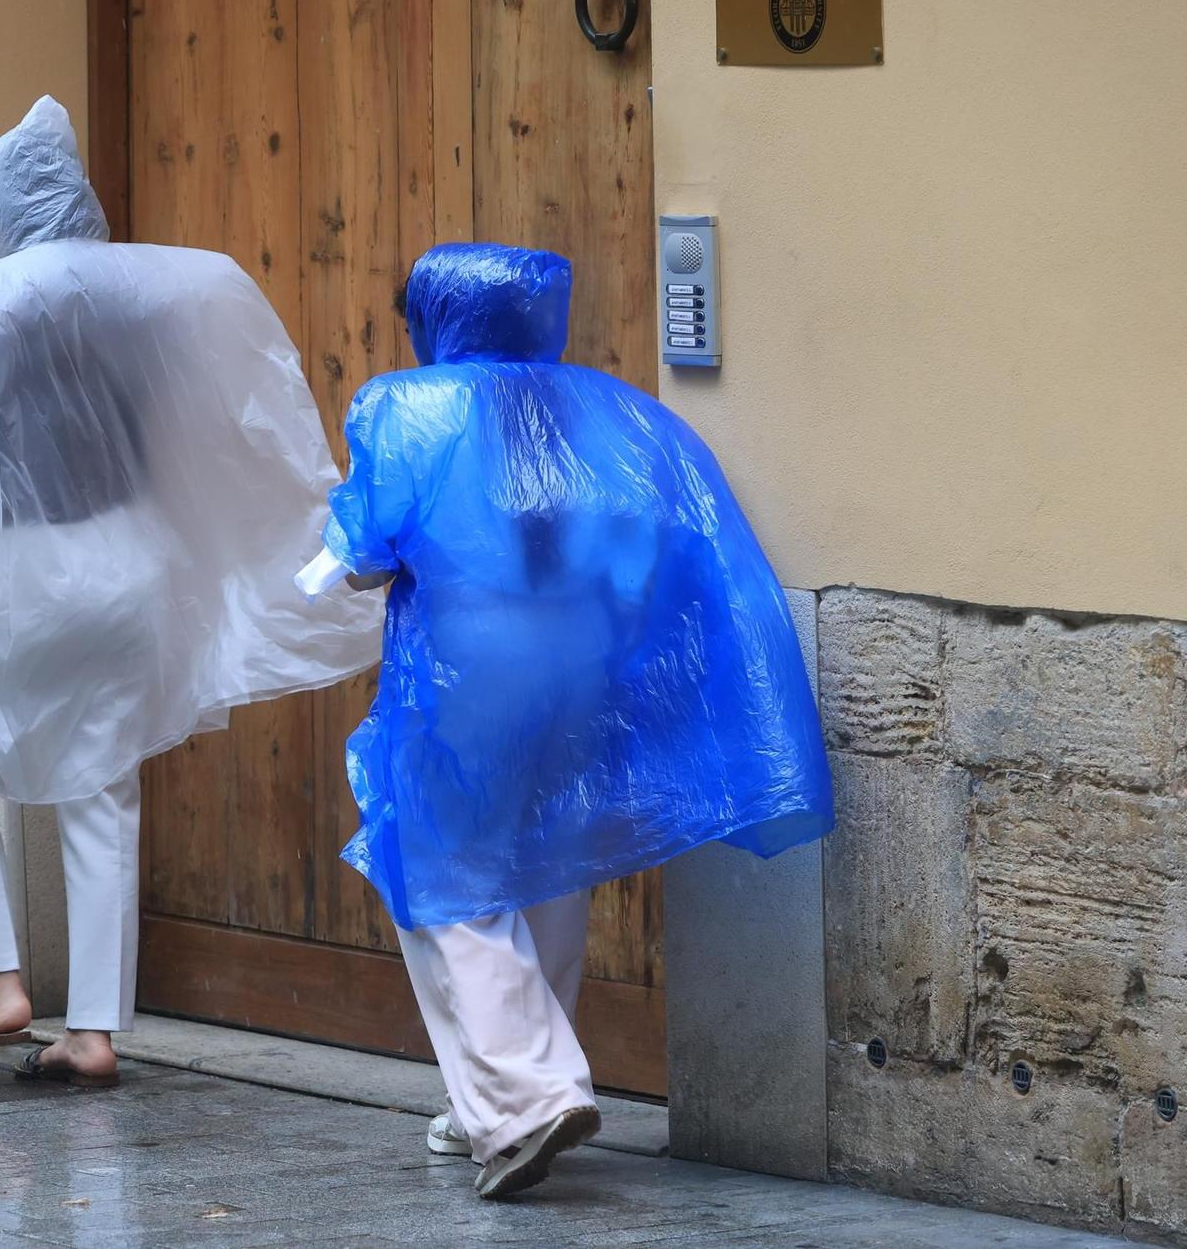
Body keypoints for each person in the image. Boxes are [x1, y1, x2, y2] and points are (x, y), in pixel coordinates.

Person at [299, 243, 835, 1197]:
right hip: (593, 661)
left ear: (439, 316)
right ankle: (490, 1098)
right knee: (549, 857)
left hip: (476, 664)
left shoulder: (406, 407)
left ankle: (530, 1094)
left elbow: (364, 556)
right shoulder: (619, 411)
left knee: (437, 863)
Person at [0, 97, 380, 1086]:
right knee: (98, 789)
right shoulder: (145, 298)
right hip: (130, 570)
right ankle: (91, 1029)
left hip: (26, 570)